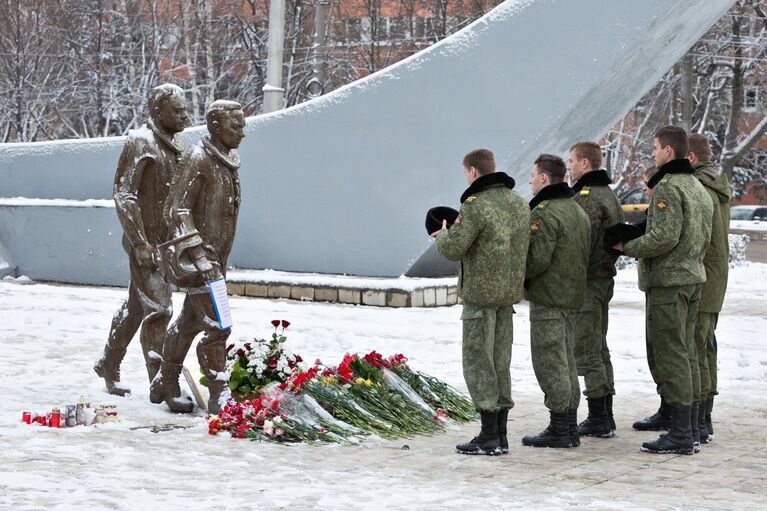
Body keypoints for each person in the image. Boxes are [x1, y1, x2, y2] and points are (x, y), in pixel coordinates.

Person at [614, 126, 713, 454]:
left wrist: (625, 246)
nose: (653, 153)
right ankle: (693, 426)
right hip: (692, 279)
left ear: (669, 152)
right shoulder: (697, 186)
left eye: (655, 148)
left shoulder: (669, 188)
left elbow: (663, 238)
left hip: (670, 283)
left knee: (671, 354)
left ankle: (682, 433)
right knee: (688, 351)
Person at [94, 84, 188, 400]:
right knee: (159, 309)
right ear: (158, 111)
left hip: (169, 247)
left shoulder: (179, 146)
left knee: (137, 307)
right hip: (146, 247)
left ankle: (109, 362)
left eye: (185, 109)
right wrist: (139, 242)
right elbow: (124, 193)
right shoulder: (140, 142)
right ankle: (162, 384)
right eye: (178, 110)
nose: (185, 115)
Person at [433, 148, 530, 455]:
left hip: (480, 296)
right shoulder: (519, 202)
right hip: (509, 294)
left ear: (473, 172)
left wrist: (442, 235)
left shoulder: (475, 205)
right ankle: (500, 433)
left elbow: (454, 248)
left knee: (478, 361)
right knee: (501, 361)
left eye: (466, 173)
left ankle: (489, 435)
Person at [152, 100, 246, 414]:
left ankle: (165, 380)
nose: (243, 133)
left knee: (189, 323)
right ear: (215, 127)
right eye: (236, 126)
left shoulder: (228, 160)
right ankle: (220, 394)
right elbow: (175, 210)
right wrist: (200, 256)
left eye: (243, 125)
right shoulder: (198, 158)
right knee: (219, 326)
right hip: (202, 261)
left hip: (217, 259)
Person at [522, 154, 590, 448]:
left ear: (544, 179)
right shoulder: (576, 209)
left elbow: (536, 259)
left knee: (550, 362)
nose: (529, 180)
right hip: (572, 297)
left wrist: (515, 273)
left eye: (533, 175)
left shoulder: (545, 213)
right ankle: (569, 426)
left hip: (549, 297)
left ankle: (560, 427)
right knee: (566, 362)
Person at [567, 141, 624, 438]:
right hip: (602, 279)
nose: (569, 167)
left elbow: (580, 242)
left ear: (585, 164)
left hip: (589, 281)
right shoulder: (607, 192)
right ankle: (606, 414)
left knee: (588, 350)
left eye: (572, 161)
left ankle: (599, 417)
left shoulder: (587, 197)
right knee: (599, 348)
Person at [688, 133, 731, 443]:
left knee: (697, 347)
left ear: (690, 158)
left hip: (703, 277)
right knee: (705, 346)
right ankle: (702, 418)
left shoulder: (701, 188)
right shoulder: (715, 184)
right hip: (714, 277)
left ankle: (699, 420)